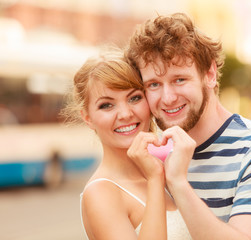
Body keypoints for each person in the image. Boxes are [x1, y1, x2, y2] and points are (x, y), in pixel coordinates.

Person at [125, 12, 251, 239]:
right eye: (153, 84)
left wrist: (178, 183)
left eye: (179, 79)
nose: (168, 97)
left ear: (210, 74)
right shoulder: (154, 161)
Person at [62, 47, 191, 239]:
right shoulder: (101, 192)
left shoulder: (170, 168)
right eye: (107, 105)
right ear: (87, 118)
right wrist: (155, 179)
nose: (125, 114)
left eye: (134, 98)